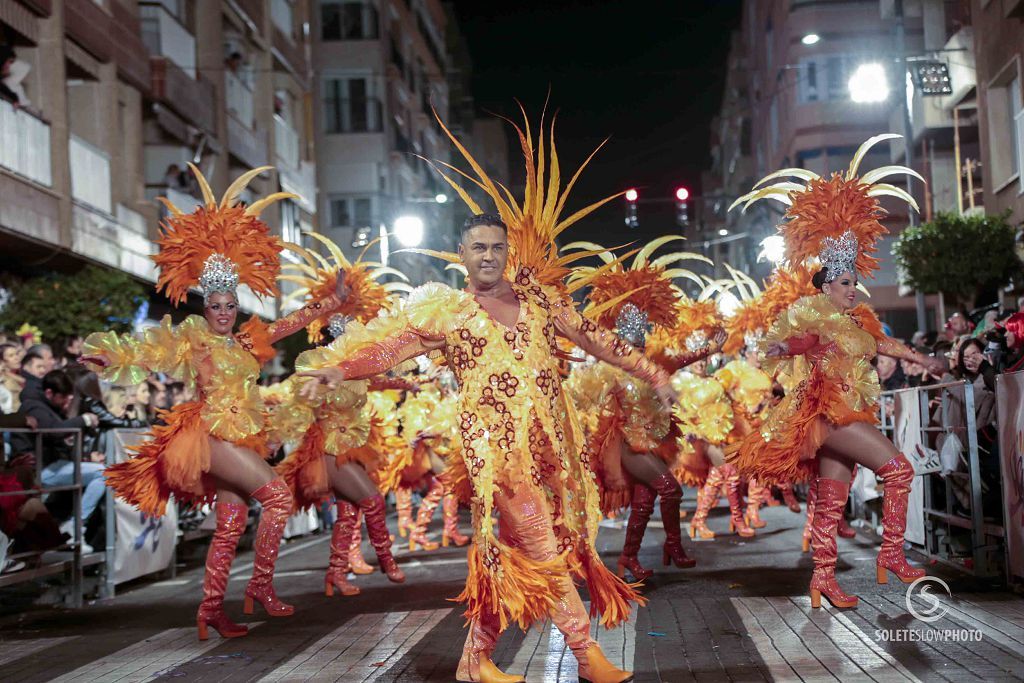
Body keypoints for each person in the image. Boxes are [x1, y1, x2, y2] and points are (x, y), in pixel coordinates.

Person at [81, 165, 345, 641]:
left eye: (229, 305)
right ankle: (261, 586)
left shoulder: (246, 341)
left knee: (231, 522)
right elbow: (154, 351)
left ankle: (211, 610)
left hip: (242, 436)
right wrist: (112, 354)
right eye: (215, 305)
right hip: (211, 435)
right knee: (278, 498)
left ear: (237, 307)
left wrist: (328, 305)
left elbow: (285, 325)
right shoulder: (196, 339)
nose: (223, 313)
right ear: (205, 308)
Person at [728, 136, 947, 610]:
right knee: (898, 468)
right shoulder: (815, 317)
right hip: (830, 414)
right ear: (827, 285)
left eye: (855, 281)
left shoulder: (858, 321)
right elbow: (807, 343)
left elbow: (884, 343)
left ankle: (822, 578)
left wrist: (922, 360)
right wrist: (785, 344)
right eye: (845, 282)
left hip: (831, 420)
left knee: (831, 497)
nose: (854, 288)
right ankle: (891, 553)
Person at [566, 239, 721, 581]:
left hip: (655, 441)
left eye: (639, 344)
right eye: (628, 345)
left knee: (645, 502)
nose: (634, 350)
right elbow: (580, 397)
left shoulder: (655, 363)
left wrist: (710, 347)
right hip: (628, 445)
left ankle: (628, 558)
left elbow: (680, 359)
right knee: (671, 489)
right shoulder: (609, 370)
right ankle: (674, 545)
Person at [10, 370, 101, 551]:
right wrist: (82, 420)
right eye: (62, 397)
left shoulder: (47, 406)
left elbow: (55, 435)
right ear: (50, 393)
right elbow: (53, 430)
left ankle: (74, 526)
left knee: (103, 472)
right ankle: (75, 526)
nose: (65, 401)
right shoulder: (34, 407)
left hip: (52, 465)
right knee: (104, 473)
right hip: (40, 469)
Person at [1, 343, 25, 412]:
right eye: (11, 356)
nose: (17, 358)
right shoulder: (4, 383)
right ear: (2, 361)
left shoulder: (22, 373)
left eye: (17, 354)